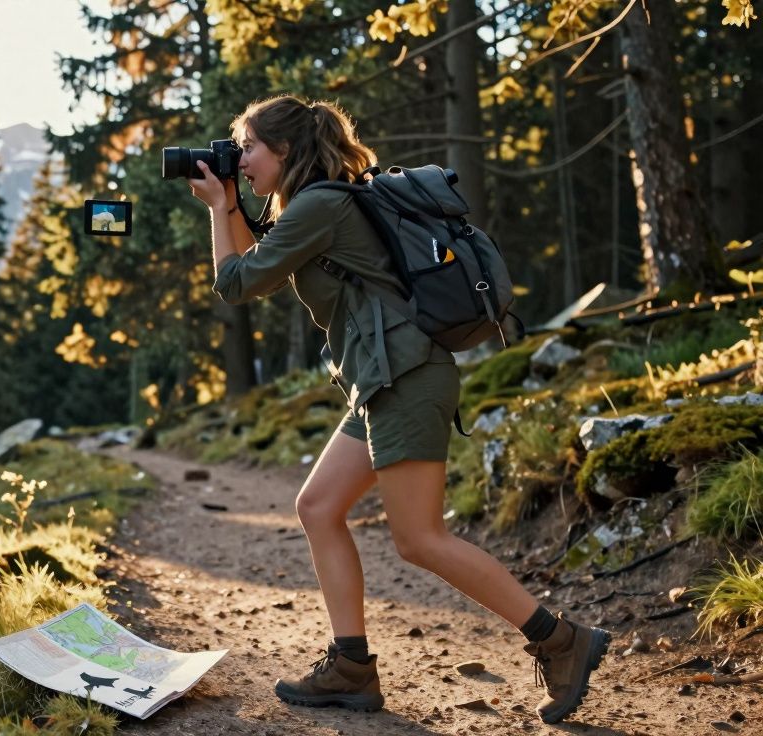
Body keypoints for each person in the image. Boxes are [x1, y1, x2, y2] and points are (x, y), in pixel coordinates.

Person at [189, 94, 610, 725]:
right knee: (319, 505)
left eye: (249, 146)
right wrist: (230, 205)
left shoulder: (321, 205)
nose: (240, 159)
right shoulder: (319, 204)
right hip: (382, 381)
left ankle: (561, 639)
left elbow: (235, 282)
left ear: (284, 150)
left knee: (419, 539)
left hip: (406, 379)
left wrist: (221, 210)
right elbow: (258, 271)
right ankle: (352, 666)